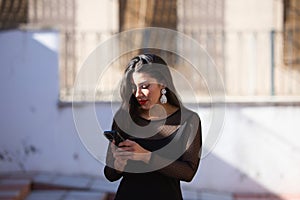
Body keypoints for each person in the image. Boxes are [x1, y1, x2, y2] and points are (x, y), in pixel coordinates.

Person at [104, 53, 202, 200]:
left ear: (162, 83)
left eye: (144, 86)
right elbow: (109, 175)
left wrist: (146, 156)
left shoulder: (189, 120)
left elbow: (188, 173)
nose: (137, 94)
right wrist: (118, 164)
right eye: (133, 86)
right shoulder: (124, 116)